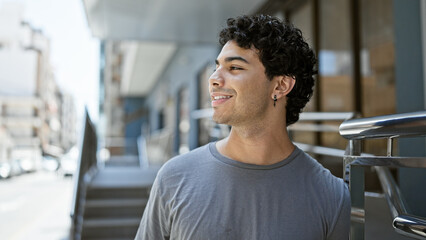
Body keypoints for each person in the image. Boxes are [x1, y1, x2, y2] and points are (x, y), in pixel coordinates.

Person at [135, 14, 350, 240]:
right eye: (217, 67)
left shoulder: (331, 196)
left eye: (235, 67)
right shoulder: (174, 177)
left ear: (280, 85)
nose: (213, 79)